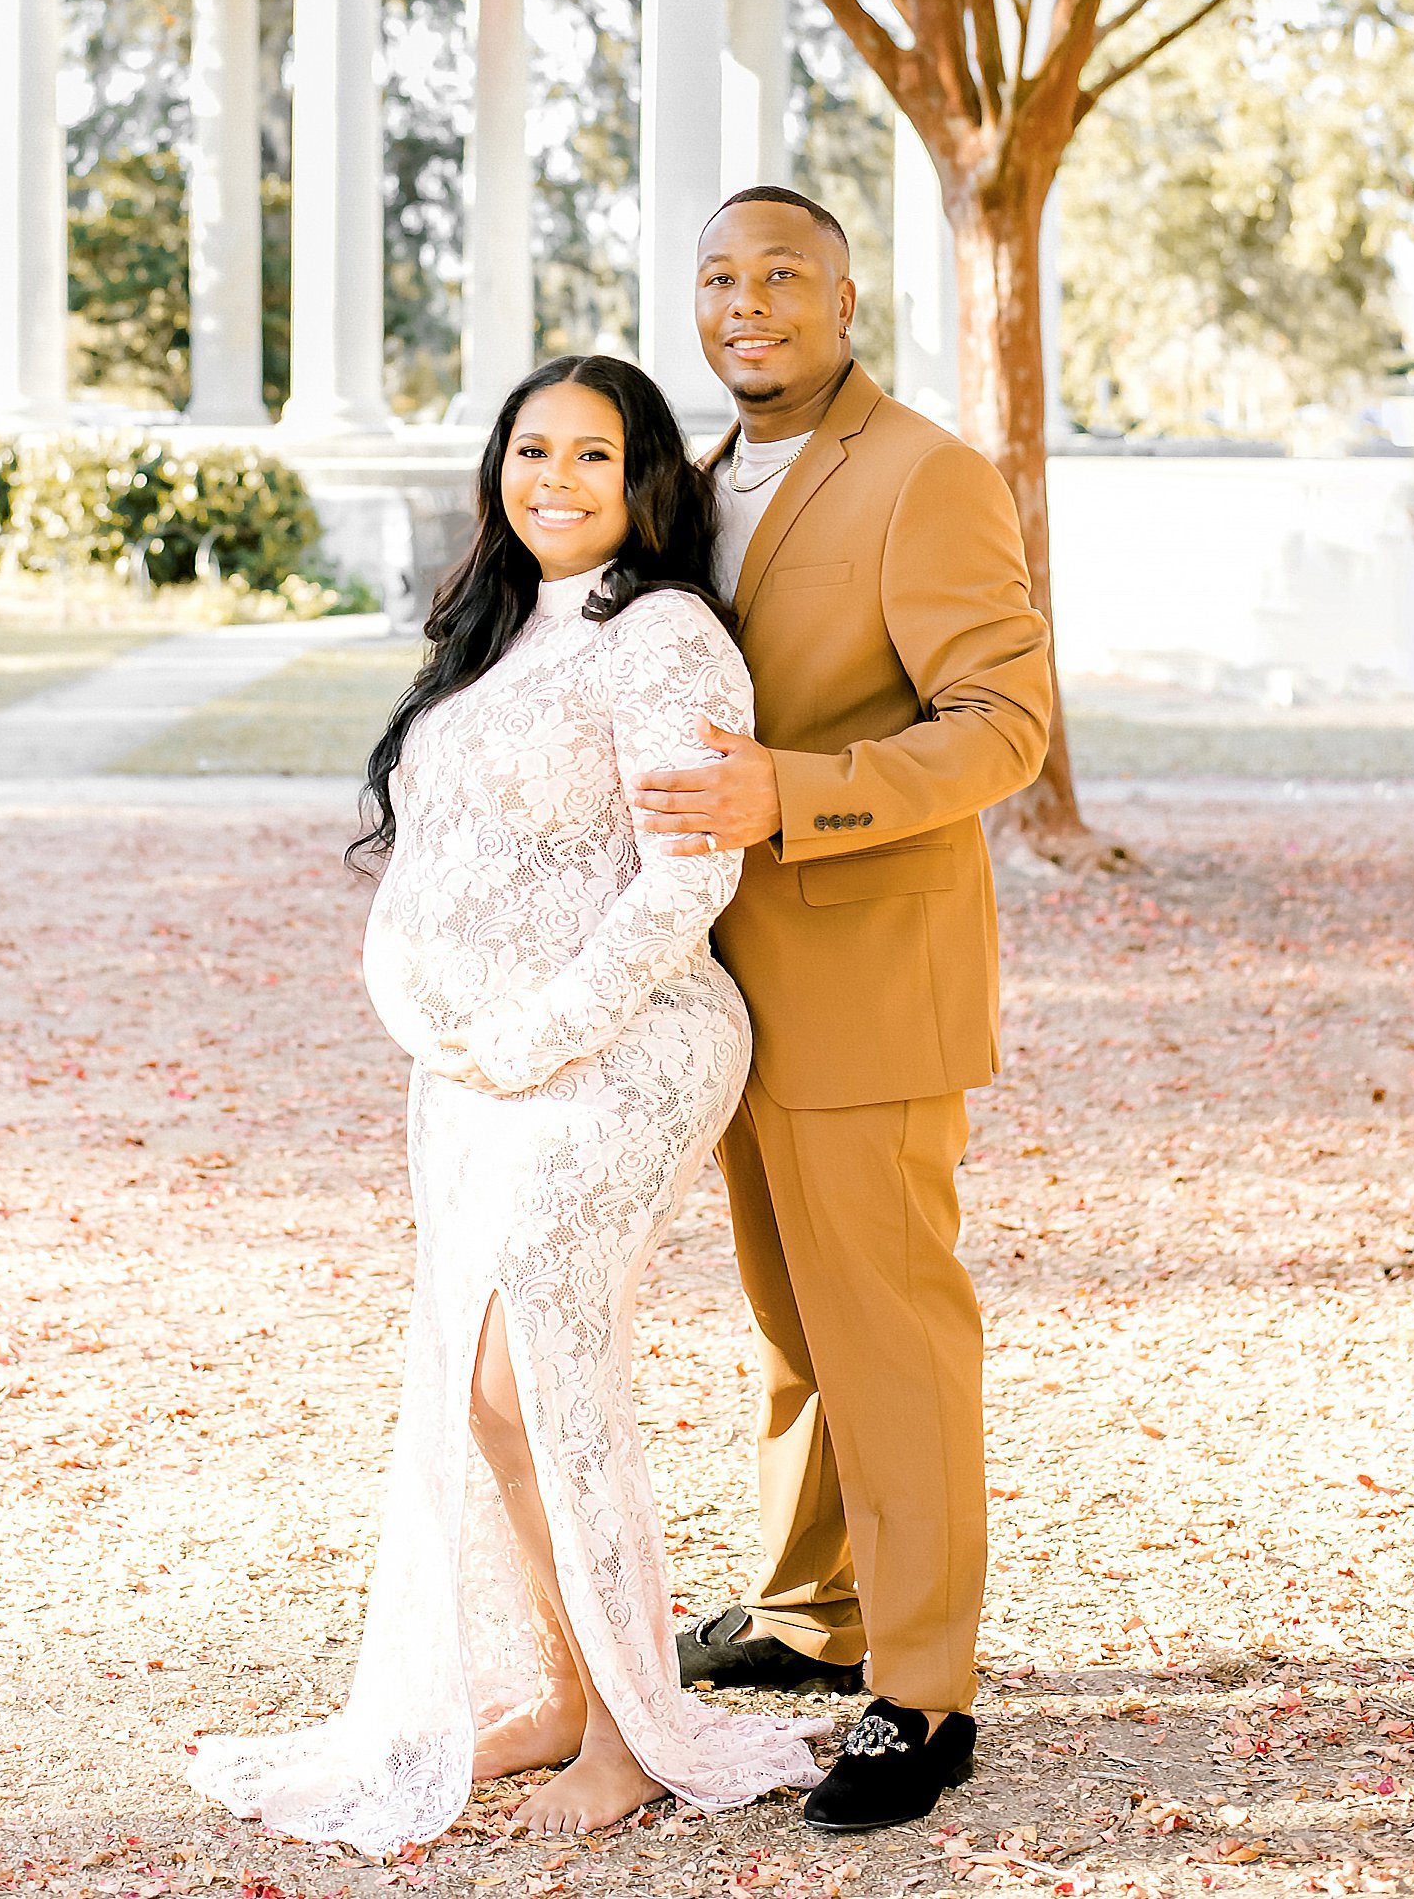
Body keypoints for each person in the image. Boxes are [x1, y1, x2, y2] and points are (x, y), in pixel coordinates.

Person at [187, 354, 822, 1856]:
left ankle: (632, 1722)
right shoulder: (491, 630)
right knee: (484, 1389)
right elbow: (439, 854)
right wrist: (422, 1007)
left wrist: (545, 1030)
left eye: (592, 456)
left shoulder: (668, 641)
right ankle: (564, 1680)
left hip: (630, 1040)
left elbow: (687, 878)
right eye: (531, 450)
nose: (555, 479)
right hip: (474, 1067)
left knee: (533, 1360)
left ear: (643, 482)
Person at [631, 186, 1054, 1835]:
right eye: (720, 277)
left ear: (848, 300)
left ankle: (924, 1691)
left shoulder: (928, 477)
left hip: (870, 976)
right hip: (722, 985)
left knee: (889, 1333)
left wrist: (789, 797)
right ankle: (815, 1615)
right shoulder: (688, 483)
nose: (750, 304)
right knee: (796, 1324)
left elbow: (1002, 727)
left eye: (784, 276)